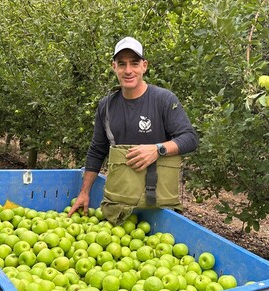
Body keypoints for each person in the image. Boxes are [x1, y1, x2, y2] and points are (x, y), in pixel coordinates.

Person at [69, 36, 198, 221]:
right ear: (114, 67)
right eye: (122, 64)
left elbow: (190, 138)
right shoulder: (106, 106)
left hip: (158, 206)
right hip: (119, 205)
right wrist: (84, 192)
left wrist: (158, 149)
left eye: (134, 63)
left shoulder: (163, 100)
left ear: (144, 66)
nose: (128, 70)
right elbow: (97, 150)